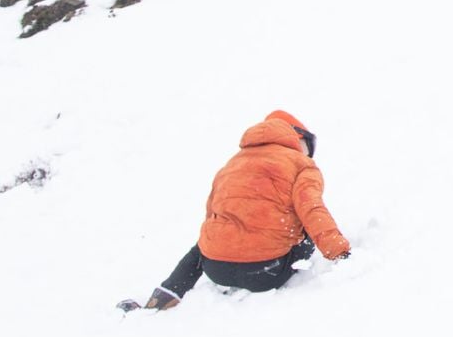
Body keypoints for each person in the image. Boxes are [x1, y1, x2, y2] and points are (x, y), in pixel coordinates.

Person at [136, 110, 350, 310]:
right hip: (267, 272)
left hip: (216, 269)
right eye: (308, 147)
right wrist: (340, 253)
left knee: (207, 239)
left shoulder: (232, 164)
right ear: (297, 136)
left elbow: (212, 215)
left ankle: (167, 293)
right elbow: (312, 208)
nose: (308, 154)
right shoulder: (301, 164)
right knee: (303, 222)